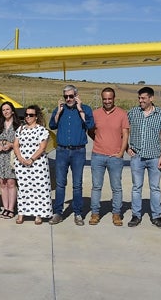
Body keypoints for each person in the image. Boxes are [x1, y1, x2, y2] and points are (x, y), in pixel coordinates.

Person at [48, 84, 94, 226]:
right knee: (61, 184)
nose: (68, 99)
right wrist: (58, 113)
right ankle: (58, 212)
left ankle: (78, 213)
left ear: (76, 96)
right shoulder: (60, 109)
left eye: (71, 96)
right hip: (62, 151)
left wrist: (80, 109)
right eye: (66, 96)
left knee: (77, 184)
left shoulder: (85, 109)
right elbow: (52, 125)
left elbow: (90, 125)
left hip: (78, 152)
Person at [127, 86, 161, 229]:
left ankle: (156, 216)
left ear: (151, 98)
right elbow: (124, 130)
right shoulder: (133, 112)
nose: (140, 101)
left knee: (155, 188)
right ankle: (136, 215)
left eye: (143, 98)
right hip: (137, 157)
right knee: (136, 187)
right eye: (139, 98)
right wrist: (127, 147)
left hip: (154, 157)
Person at [87, 87, 129, 226]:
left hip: (115, 157)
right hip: (98, 155)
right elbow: (91, 132)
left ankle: (116, 214)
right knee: (96, 187)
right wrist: (100, 141)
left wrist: (121, 152)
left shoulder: (122, 114)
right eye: (104, 99)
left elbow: (125, 135)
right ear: (102, 99)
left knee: (116, 187)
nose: (107, 101)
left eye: (109, 99)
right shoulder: (95, 113)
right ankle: (95, 213)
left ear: (114, 98)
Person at [12, 105, 53, 224]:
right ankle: (21, 213)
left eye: (31, 115)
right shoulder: (20, 129)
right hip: (22, 164)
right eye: (26, 115)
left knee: (38, 189)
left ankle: (38, 215)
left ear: (36, 117)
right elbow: (15, 145)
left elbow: (42, 147)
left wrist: (32, 159)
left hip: (37, 164)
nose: (28, 117)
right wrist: (20, 158)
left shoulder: (42, 130)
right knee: (23, 188)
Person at [0, 101, 20, 219]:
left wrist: (11, 145)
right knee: (2, 183)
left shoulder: (18, 126)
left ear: (12, 111)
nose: (6, 112)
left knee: (11, 183)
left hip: (11, 156)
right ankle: (5, 208)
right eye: (3, 110)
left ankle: (11, 209)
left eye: (8, 109)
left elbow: (21, 141)